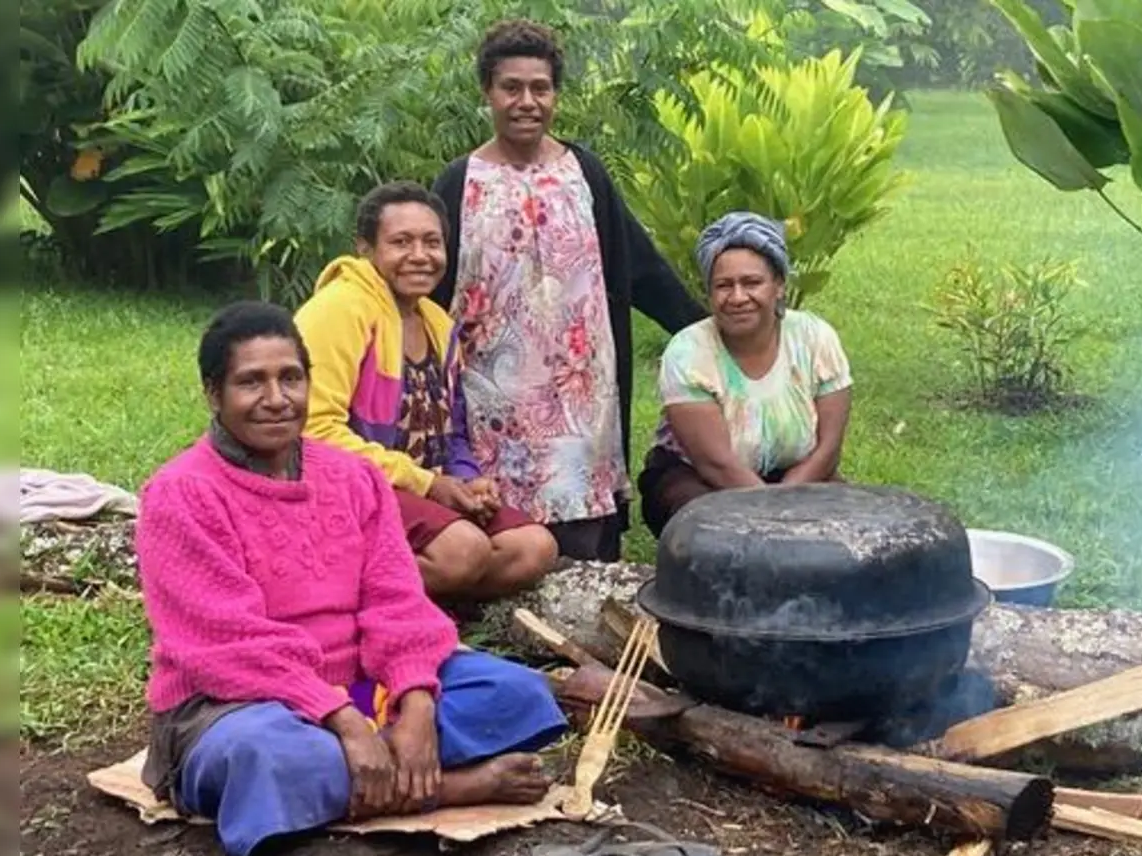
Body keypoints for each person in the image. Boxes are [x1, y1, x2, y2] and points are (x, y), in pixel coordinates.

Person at [135, 302, 568, 856]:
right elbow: (226, 644)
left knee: (518, 696)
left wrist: (413, 701)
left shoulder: (353, 476)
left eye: (291, 377)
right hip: (240, 702)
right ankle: (443, 787)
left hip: (365, 684)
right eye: (251, 382)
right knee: (269, 760)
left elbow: (397, 599)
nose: (276, 398)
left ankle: (375, 774)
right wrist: (342, 720)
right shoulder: (180, 494)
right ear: (213, 394)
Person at [429, 19, 706, 563]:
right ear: (488, 92)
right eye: (512, 87)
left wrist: (706, 327)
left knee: (582, 537)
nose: (526, 101)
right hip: (488, 396)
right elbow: (428, 288)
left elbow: (641, 268)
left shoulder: (586, 175)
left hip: (580, 395)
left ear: (556, 94)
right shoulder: (460, 182)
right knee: (497, 526)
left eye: (541, 88)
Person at [294, 182, 558, 606]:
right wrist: (428, 484)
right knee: (463, 552)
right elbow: (314, 432)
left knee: (533, 548)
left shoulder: (436, 322)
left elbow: (450, 430)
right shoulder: (339, 309)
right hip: (351, 488)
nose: (420, 255)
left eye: (431, 242)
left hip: (421, 490)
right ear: (366, 248)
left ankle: (420, 595)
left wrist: (468, 481)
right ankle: (326, 591)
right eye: (401, 242)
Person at [637, 212, 855, 538]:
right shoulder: (688, 352)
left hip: (800, 476)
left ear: (779, 286)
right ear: (709, 293)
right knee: (714, 531)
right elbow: (717, 464)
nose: (738, 297)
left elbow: (828, 449)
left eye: (752, 283)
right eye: (724, 285)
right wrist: (777, 521)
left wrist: (784, 504)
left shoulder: (815, 338)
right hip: (701, 479)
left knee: (852, 523)